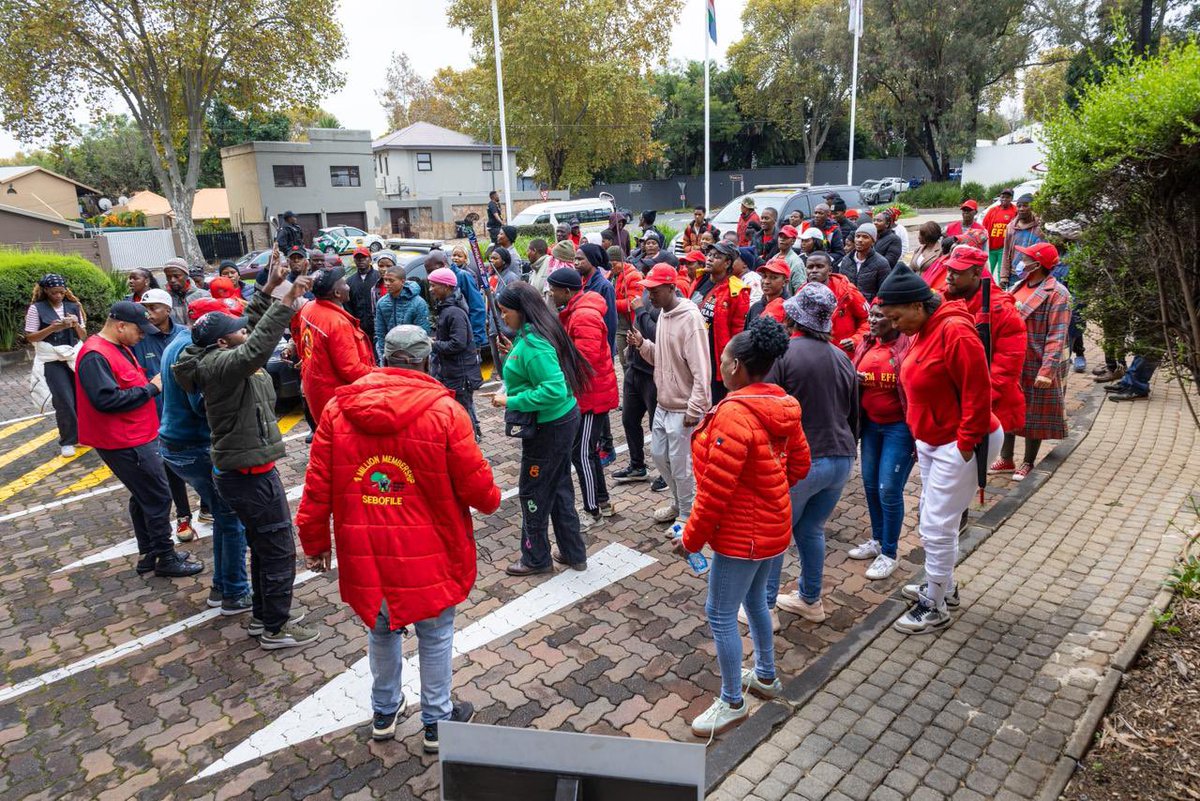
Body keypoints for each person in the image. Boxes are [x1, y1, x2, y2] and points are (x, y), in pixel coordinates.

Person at [296, 323, 499, 749]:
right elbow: (479, 489)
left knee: (380, 628)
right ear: (425, 359)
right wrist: (492, 498)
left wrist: (315, 543)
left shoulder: (336, 411)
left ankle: (384, 711)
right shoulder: (445, 412)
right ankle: (437, 721)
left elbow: (316, 486)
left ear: (384, 358)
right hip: (431, 550)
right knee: (436, 633)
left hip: (365, 550)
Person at [173, 262, 319, 648]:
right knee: (277, 550)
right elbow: (255, 348)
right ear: (222, 342)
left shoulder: (218, 356)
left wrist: (267, 289)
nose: (245, 330)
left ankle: (264, 615)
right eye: (237, 331)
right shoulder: (224, 365)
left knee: (264, 546)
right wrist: (286, 302)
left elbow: (247, 332)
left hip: (247, 469)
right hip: (249, 474)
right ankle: (276, 627)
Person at [677, 317, 809, 738]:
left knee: (719, 613)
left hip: (742, 535)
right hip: (772, 527)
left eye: (723, 359)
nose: (720, 364)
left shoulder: (735, 414)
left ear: (735, 367)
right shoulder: (781, 404)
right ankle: (766, 675)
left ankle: (732, 700)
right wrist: (769, 491)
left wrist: (691, 538)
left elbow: (715, 491)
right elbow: (800, 464)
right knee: (755, 602)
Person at [876, 264, 1003, 634]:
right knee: (931, 516)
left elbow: (979, 392)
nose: (894, 325)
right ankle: (942, 585)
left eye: (896, 317)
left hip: (959, 442)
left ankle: (934, 605)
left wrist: (964, 446)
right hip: (934, 441)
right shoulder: (924, 328)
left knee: (937, 524)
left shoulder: (955, 331)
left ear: (917, 306)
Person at [76, 301, 204, 578]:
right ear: (120, 326)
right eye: (139, 330)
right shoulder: (95, 355)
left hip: (136, 433)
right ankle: (165, 557)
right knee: (158, 496)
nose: (143, 336)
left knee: (143, 495)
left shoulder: (117, 347)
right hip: (123, 439)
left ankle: (150, 552)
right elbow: (105, 399)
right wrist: (150, 389)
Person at [763, 285, 858, 625]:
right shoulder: (842, 357)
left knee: (777, 534)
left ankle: (766, 608)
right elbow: (853, 415)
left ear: (792, 317)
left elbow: (769, 409)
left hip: (804, 460)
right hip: (842, 457)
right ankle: (810, 599)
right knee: (811, 529)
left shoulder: (785, 353)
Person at [491, 282, 592, 576]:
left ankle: (536, 558)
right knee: (559, 486)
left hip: (550, 427)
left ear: (522, 311)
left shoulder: (534, 344)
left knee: (533, 492)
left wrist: (511, 399)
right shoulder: (531, 336)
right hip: (557, 423)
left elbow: (553, 390)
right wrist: (514, 353)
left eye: (505, 311)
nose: (503, 317)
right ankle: (574, 553)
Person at [159, 298, 252, 614]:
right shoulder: (194, 352)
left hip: (177, 444)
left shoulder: (179, 342)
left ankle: (221, 588)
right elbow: (201, 404)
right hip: (192, 445)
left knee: (225, 518)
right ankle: (235, 593)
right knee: (232, 518)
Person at [629, 264, 712, 528]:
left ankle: (688, 516)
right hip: (664, 403)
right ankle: (678, 504)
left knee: (681, 466)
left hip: (683, 408)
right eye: (647, 290)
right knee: (659, 456)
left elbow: (702, 369)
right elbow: (662, 358)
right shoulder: (663, 315)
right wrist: (643, 345)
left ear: (671, 288)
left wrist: (694, 408)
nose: (649, 296)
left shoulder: (690, 319)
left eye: (654, 290)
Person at [940, 246, 1027, 466]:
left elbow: (1008, 363)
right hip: (951, 400)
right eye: (949, 269)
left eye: (957, 272)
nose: (949, 276)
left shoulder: (1002, 311)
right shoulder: (944, 300)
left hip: (985, 400)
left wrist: (978, 398)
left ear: (977, 274)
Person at [547, 268, 619, 527]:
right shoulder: (576, 310)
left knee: (582, 453)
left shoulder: (584, 315)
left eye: (553, 290)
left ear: (567, 291)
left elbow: (584, 361)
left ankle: (593, 510)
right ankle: (601, 500)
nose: (551, 294)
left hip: (591, 396)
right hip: (588, 393)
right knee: (585, 450)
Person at [848, 303, 914, 580]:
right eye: (871, 315)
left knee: (889, 489)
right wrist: (855, 378)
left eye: (879, 316)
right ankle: (876, 540)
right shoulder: (867, 344)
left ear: (895, 320)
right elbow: (851, 371)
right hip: (871, 426)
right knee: (870, 484)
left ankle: (889, 552)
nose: (872, 320)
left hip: (899, 428)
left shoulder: (907, 346)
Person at [995, 242, 1071, 480]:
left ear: (1037, 264)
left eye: (1026, 258)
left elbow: (1057, 335)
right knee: (1008, 407)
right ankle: (1006, 457)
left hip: (1035, 361)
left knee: (1033, 413)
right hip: (1011, 358)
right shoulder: (1018, 286)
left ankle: (1028, 460)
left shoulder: (1058, 294)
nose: (1021, 261)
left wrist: (1047, 371)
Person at [131, 287, 197, 542]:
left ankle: (207, 506)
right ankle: (183, 516)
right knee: (170, 466)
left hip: (188, 410)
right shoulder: (140, 338)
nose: (148, 314)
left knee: (202, 458)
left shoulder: (185, 334)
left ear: (168, 309)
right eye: (145, 309)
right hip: (159, 415)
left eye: (154, 308)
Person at [299, 265, 376, 423]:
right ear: (337, 293)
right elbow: (351, 369)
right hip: (334, 398)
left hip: (316, 389)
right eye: (345, 283)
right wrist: (378, 375)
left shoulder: (308, 308)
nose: (348, 286)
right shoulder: (337, 323)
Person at [26, 273, 85, 457]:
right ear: (45, 291)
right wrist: (52, 328)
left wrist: (75, 324)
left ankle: (84, 434)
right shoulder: (36, 309)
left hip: (73, 357)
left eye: (61, 292)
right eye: (54, 293)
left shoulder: (74, 306)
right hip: (52, 360)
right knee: (64, 400)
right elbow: (30, 337)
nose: (58, 296)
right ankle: (68, 441)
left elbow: (83, 336)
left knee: (81, 399)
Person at [425, 267, 484, 439]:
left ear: (446, 287)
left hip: (460, 374)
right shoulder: (447, 308)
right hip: (453, 371)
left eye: (434, 285)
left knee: (463, 412)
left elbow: (457, 343)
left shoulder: (454, 312)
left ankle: (472, 443)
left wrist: (434, 344)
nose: (430, 290)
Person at [613, 271, 659, 485]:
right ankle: (637, 465)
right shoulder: (645, 295)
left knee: (656, 425)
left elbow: (654, 332)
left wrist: (639, 310)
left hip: (653, 373)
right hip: (635, 368)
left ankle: (665, 473)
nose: (648, 286)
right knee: (629, 419)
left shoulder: (663, 304)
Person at [693, 242, 749, 404]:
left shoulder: (737, 290)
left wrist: (732, 369)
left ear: (727, 263)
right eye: (709, 255)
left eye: (717, 257)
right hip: (694, 355)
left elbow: (738, 334)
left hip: (715, 362)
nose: (710, 259)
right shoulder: (701, 278)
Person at [806, 253, 869, 354]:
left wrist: (856, 340)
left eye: (819, 266)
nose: (814, 270)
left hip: (843, 355)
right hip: (813, 355)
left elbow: (868, 320)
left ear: (830, 270)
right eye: (810, 267)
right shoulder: (801, 294)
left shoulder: (847, 292)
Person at [374, 263, 430, 362]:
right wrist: (385, 356)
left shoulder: (418, 303)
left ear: (402, 281)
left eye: (391, 280)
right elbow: (380, 333)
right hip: (391, 356)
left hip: (413, 357)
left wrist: (415, 359)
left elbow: (423, 333)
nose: (387, 283)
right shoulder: (382, 303)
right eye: (385, 280)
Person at [575, 244, 618, 354]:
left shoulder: (605, 287)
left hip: (599, 349)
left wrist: (606, 352)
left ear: (592, 260)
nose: (575, 263)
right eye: (575, 259)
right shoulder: (578, 284)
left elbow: (610, 324)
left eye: (580, 259)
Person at [609, 245, 644, 371]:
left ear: (622, 261)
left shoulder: (633, 276)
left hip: (631, 325)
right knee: (624, 361)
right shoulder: (612, 275)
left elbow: (632, 302)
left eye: (614, 264)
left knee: (633, 361)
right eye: (610, 264)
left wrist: (611, 303)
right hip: (620, 326)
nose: (612, 267)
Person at [446, 248, 488, 351]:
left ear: (465, 259)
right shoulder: (450, 273)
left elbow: (475, 303)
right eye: (454, 255)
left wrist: (476, 338)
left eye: (459, 256)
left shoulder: (467, 275)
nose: (455, 258)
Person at [840, 223, 892, 302]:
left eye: (865, 237)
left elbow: (884, 292)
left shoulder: (881, 263)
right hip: (849, 306)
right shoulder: (846, 260)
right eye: (857, 236)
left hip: (869, 308)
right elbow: (841, 286)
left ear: (873, 241)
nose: (860, 240)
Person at [1000, 194, 1043, 289]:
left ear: (1032, 207)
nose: (1021, 209)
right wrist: (1004, 276)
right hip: (1014, 275)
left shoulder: (1039, 229)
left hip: (1034, 274)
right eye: (1019, 206)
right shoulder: (1011, 227)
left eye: (1025, 205)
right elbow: (1006, 252)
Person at [346, 247, 380, 344]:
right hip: (359, 331)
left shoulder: (379, 278)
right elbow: (348, 307)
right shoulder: (350, 281)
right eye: (358, 258)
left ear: (370, 259)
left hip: (377, 328)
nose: (361, 260)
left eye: (364, 257)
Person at [982, 189, 1018, 279]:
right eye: (1002, 196)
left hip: (1004, 248)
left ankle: (1000, 291)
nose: (1004, 199)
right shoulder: (992, 210)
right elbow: (984, 227)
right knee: (987, 271)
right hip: (990, 247)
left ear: (1011, 198)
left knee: (1001, 272)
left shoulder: (1015, 211)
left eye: (1007, 197)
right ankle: (986, 291)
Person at [163, 258, 209, 326]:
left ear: (186, 275)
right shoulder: (164, 298)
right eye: (168, 276)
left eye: (176, 276)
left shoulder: (203, 296)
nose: (172, 280)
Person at [746, 259, 789, 326]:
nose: (766, 281)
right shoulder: (755, 307)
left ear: (785, 282)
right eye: (764, 276)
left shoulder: (790, 308)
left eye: (773, 277)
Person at [775, 224, 806, 291]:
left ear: (793, 241)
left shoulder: (796, 262)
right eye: (780, 237)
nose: (781, 240)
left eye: (785, 237)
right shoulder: (774, 258)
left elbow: (800, 289)